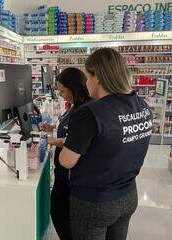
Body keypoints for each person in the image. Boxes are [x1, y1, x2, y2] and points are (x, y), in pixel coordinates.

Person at [59, 48, 152, 240]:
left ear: (98, 77)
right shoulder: (142, 106)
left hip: (95, 201)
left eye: (87, 77)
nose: (85, 83)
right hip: (127, 196)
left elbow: (67, 161)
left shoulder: (90, 112)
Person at [41, 68, 91, 240]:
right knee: (58, 211)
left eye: (62, 90)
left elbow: (77, 139)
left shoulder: (84, 110)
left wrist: (55, 141)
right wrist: (53, 128)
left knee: (62, 215)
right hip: (62, 173)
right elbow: (69, 127)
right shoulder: (74, 106)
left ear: (73, 87)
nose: (60, 94)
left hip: (71, 177)